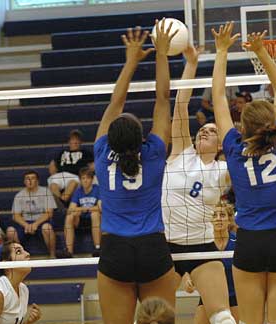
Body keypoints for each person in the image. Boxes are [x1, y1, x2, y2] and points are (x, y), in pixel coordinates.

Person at [212, 23, 276, 324]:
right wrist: (263, 53)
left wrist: (222, 51)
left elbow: (219, 99)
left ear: (243, 127)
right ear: (272, 124)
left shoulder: (235, 150)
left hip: (249, 242)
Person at [94, 23, 177, 323]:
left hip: (115, 249)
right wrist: (162, 54)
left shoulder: (101, 153)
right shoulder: (154, 152)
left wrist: (131, 60)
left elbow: (115, 102)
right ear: (141, 135)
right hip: (152, 248)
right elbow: (163, 98)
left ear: (111, 136)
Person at [162, 44, 234, 324]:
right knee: (156, 315)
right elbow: (180, 105)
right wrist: (191, 63)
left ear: (220, 144)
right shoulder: (181, 151)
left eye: (213, 131)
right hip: (165, 245)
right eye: (203, 129)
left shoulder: (223, 170)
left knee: (222, 316)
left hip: (202, 245)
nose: (205, 130)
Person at [183, 201, 239, 324]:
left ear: (229, 220)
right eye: (214, 215)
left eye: (222, 215)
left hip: (235, 297)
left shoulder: (239, 242)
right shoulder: (202, 243)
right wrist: (187, 278)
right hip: (209, 296)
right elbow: (188, 264)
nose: (218, 219)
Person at [6, 170, 57, 258]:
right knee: (10, 231)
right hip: (25, 222)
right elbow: (16, 216)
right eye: (27, 179)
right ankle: (18, 257)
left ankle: (52, 255)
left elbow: (49, 213)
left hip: (41, 221)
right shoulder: (19, 195)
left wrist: (36, 224)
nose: (29, 181)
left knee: (47, 228)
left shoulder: (45, 192)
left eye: (32, 178)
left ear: (37, 181)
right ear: (24, 181)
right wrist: (26, 225)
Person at [59, 167, 101, 258]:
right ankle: (68, 251)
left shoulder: (97, 189)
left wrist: (82, 208)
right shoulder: (78, 191)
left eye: (88, 178)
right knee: (70, 216)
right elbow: (71, 209)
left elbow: (100, 208)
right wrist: (84, 209)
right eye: (83, 178)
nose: (85, 181)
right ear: (80, 180)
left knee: (95, 214)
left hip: (95, 220)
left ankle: (98, 248)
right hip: (81, 220)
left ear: (92, 179)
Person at [48, 129, 94, 203]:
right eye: (73, 139)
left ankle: (60, 204)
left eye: (77, 140)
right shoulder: (62, 152)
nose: (75, 142)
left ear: (81, 142)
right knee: (53, 185)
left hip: (75, 176)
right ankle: (60, 205)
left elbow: (92, 165)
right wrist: (53, 173)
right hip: (60, 175)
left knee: (72, 183)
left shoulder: (86, 153)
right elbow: (53, 164)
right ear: (69, 142)